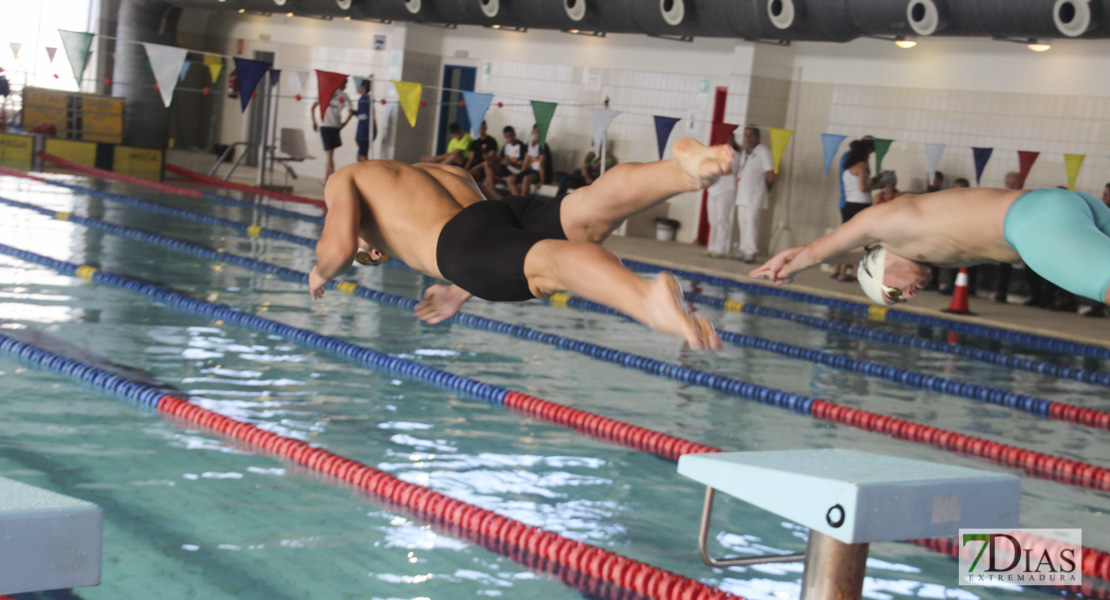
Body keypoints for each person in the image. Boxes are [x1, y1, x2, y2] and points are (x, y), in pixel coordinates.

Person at [308, 137, 731, 350]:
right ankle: (681, 173)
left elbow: (338, 249)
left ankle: (645, 300)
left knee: (552, 262)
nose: (374, 253)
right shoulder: (417, 171)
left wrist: (319, 272)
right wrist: (459, 290)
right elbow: (492, 235)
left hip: (460, 243)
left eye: (371, 254)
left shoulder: (343, 179)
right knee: (588, 208)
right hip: (501, 212)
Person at [749, 186, 1110, 309]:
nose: (907, 296)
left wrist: (786, 268)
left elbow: (821, 251)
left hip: (1033, 224)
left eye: (893, 292)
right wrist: (802, 253)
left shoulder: (880, 222)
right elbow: (858, 253)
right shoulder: (904, 242)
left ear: (881, 268)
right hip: (1062, 207)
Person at [833, 137, 876, 282]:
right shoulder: (862, 165)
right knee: (860, 240)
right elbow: (863, 188)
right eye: (869, 154)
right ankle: (855, 272)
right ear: (865, 153)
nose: (869, 157)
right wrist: (880, 184)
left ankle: (842, 272)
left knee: (847, 238)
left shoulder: (847, 166)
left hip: (848, 204)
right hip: (860, 205)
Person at [732, 126, 775, 263]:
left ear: (758, 136)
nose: (748, 138)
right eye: (746, 136)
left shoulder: (764, 152)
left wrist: (765, 190)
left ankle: (751, 252)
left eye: (751, 135)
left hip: (755, 195)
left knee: (751, 223)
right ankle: (743, 249)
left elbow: (770, 174)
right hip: (742, 195)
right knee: (742, 222)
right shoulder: (744, 152)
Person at [702, 133, 743, 259]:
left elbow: (728, 170)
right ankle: (712, 247)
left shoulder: (735, 154)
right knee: (713, 220)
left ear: (731, 138)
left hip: (726, 190)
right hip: (713, 189)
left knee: (722, 220)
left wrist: (716, 166)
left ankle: (721, 249)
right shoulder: (716, 154)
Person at [310, 80, 353, 181]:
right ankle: (327, 180)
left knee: (329, 156)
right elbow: (351, 112)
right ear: (340, 84)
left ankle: (332, 180)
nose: (346, 87)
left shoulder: (324, 92)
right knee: (330, 155)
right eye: (345, 84)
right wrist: (343, 124)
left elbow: (313, 107)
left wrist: (314, 122)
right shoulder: (344, 96)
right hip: (335, 126)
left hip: (325, 125)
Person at [494, 125, 528, 195]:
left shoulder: (521, 146)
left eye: (511, 135)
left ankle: (517, 200)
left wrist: (511, 163)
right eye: (507, 137)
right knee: (492, 175)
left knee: (510, 179)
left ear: (514, 134)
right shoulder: (506, 146)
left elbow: (524, 164)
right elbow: (500, 158)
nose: (510, 138)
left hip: (517, 172)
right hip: (507, 171)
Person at [465, 121, 499, 188]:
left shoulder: (491, 141)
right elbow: (471, 159)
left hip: (489, 166)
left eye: (482, 128)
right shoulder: (475, 142)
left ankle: (490, 189)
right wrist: (465, 170)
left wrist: (475, 167)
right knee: (468, 175)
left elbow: (490, 158)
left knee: (487, 165)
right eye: (479, 129)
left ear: (486, 128)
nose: (481, 130)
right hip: (478, 167)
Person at [354, 77, 376, 162]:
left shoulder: (364, 99)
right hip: (365, 132)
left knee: (363, 156)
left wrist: (354, 113)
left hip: (364, 133)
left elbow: (364, 115)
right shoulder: (368, 99)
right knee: (360, 154)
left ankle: (366, 173)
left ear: (363, 87)